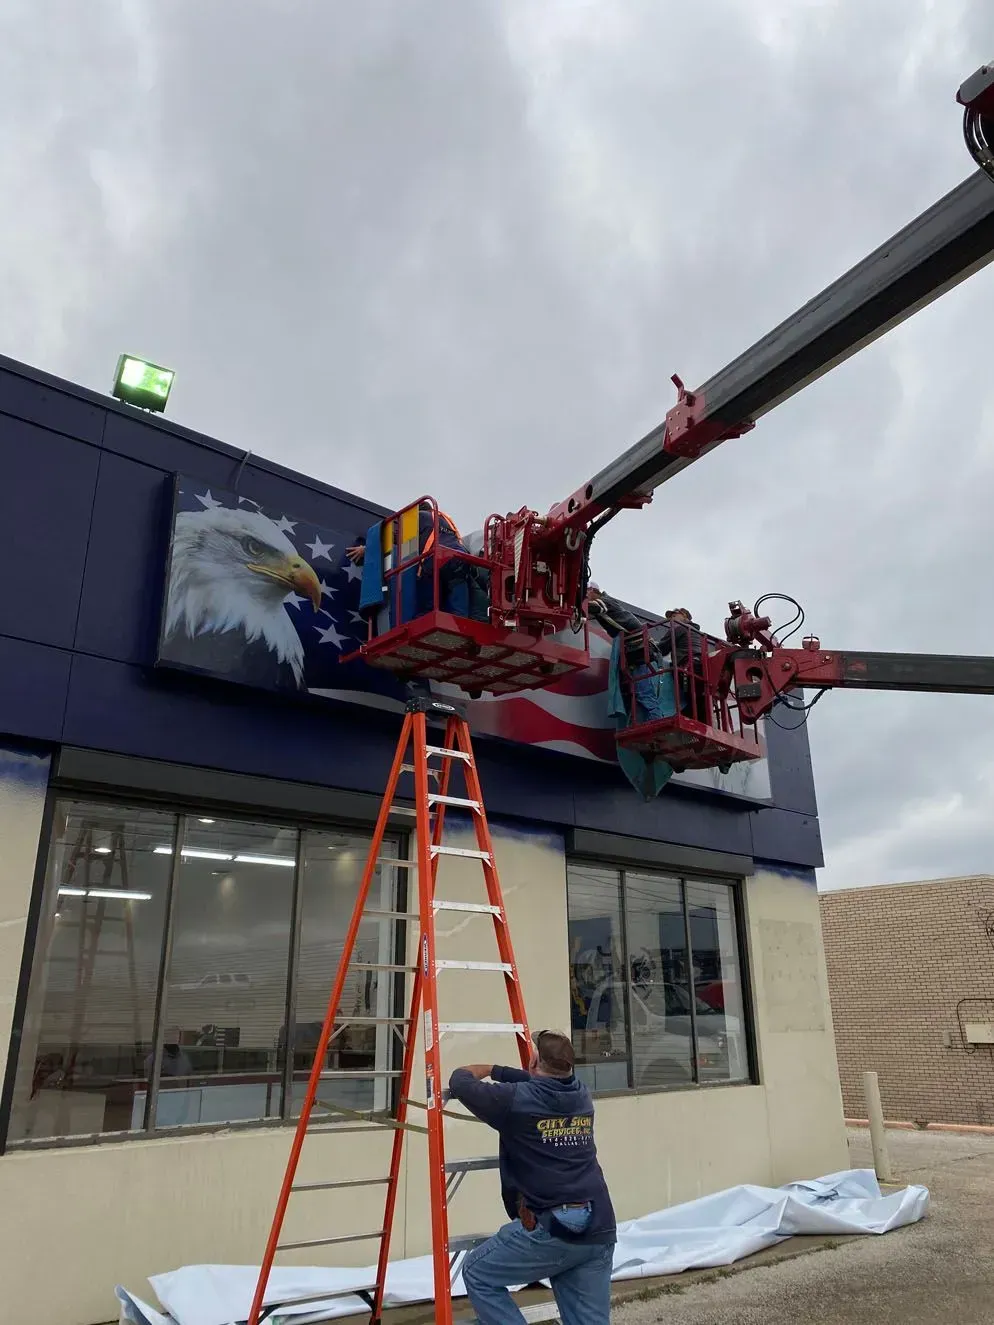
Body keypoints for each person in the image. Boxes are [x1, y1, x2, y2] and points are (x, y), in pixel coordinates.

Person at [446, 1029, 616, 1325]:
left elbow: (460, 1082)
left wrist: (485, 1068)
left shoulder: (515, 1101)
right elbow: (537, 1080)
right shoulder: (581, 1094)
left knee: (477, 1272)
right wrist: (501, 1071)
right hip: (598, 1225)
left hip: (555, 1227)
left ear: (535, 1062)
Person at [346, 502, 489, 622]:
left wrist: (367, 549)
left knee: (428, 604)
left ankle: (423, 622)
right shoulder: (445, 519)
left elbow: (398, 541)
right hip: (460, 559)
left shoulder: (418, 517)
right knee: (459, 603)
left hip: (435, 560)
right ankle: (459, 627)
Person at [587, 583, 667, 724]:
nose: (585, 597)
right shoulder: (609, 603)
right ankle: (646, 720)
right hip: (634, 649)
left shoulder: (606, 601)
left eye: (586, 593)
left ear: (593, 591)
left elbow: (595, 608)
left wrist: (576, 603)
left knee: (643, 690)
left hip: (637, 649)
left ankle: (656, 721)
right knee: (634, 690)